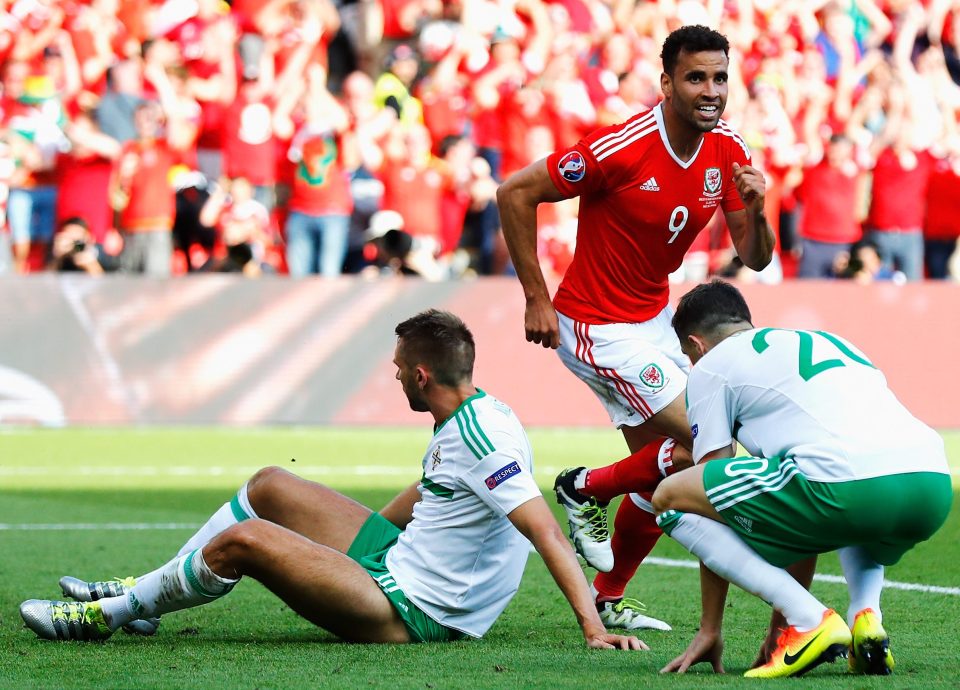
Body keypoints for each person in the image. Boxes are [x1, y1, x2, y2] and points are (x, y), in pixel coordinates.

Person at [20, 310, 645, 652]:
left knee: (247, 540)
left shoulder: (485, 437)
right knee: (271, 485)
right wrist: (356, 539)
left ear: (422, 376)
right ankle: (146, 593)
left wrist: (593, 627)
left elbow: (544, 532)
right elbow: (433, 490)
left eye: (399, 368)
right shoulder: (471, 409)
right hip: (398, 565)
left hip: (419, 610)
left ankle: (108, 615)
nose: (394, 375)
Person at [496, 24, 774, 629]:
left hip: (654, 320)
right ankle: (585, 488)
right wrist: (536, 298)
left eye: (719, 78)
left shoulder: (728, 148)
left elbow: (754, 256)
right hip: (596, 326)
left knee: (670, 462)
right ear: (666, 81)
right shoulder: (621, 147)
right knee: (710, 441)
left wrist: (757, 208)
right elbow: (514, 192)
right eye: (695, 77)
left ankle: (607, 595)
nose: (710, 90)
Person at [652, 280, 951, 678]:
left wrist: (711, 627)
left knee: (669, 497)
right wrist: (778, 631)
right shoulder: (828, 340)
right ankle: (866, 618)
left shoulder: (711, 366)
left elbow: (707, 491)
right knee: (820, 487)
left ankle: (809, 619)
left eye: (689, 355)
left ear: (696, 344)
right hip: (931, 484)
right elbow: (791, 518)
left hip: (845, 485)